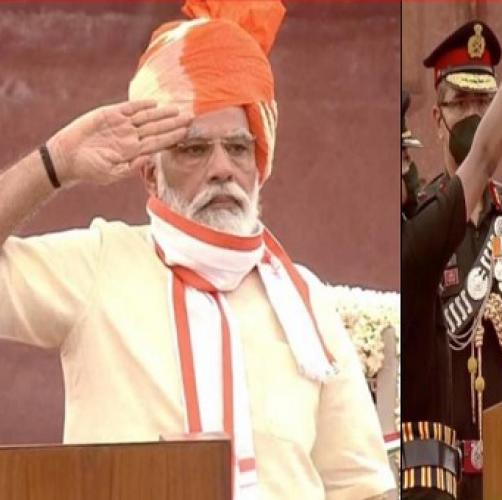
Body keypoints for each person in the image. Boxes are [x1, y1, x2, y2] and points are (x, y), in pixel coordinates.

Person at [0, 2, 394, 499]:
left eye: (238, 148)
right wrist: (53, 164)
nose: (222, 168)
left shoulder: (304, 301)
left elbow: (362, 485)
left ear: (259, 163)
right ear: (150, 174)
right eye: (193, 149)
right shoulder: (101, 265)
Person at [401, 3, 502, 499]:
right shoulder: (422, 219)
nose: (476, 117)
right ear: (438, 118)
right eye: (462, 103)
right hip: (436, 470)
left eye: (486, 104)